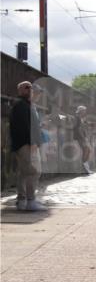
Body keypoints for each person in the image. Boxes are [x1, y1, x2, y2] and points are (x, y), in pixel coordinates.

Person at [10, 81, 46, 211]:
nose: (29, 89)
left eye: (30, 87)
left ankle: (22, 200)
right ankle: (30, 201)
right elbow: (22, 126)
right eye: (26, 88)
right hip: (26, 144)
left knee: (24, 173)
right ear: (20, 90)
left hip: (26, 143)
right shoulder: (21, 104)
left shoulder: (26, 104)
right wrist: (31, 142)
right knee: (33, 171)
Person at [72, 105, 93, 174]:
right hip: (80, 137)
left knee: (88, 150)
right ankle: (85, 169)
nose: (85, 112)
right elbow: (78, 128)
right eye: (84, 110)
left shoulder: (81, 118)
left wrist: (89, 124)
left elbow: (84, 124)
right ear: (80, 111)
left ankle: (86, 168)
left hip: (83, 136)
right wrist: (83, 138)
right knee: (86, 149)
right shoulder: (77, 117)